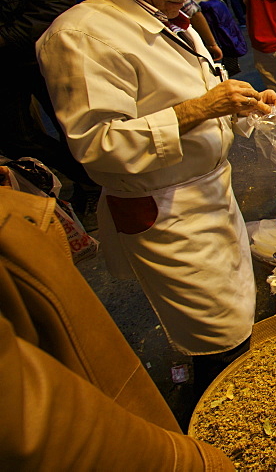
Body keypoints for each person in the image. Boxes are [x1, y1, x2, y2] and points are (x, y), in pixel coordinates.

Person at [36, 0, 276, 392]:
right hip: (167, 211)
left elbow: (192, 94)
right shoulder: (82, 35)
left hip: (211, 196)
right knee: (216, 334)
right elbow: (98, 144)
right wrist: (203, 107)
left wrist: (242, 108)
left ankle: (233, 399)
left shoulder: (162, 15)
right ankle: (216, 429)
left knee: (234, 316)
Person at [0, 187, 234, 470]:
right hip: (165, 206)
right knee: (208, 324)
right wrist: (197, 462)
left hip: (206, 197)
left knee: (224, 315)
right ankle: (213, 397)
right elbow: (39, 425)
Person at [0, 0, 96, 211]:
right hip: (12, 58)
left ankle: (95, 183)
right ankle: (88, 182)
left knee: (74, 128)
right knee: (16, 136)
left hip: (38, 51)